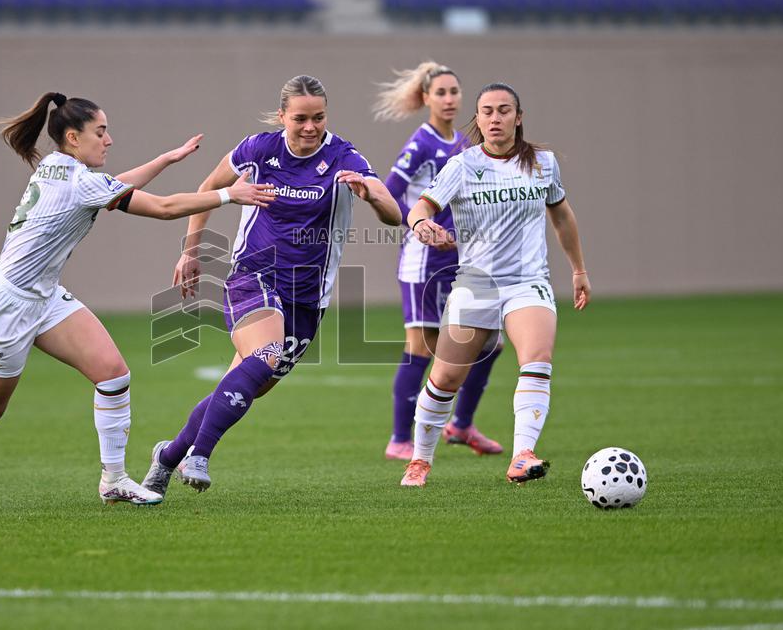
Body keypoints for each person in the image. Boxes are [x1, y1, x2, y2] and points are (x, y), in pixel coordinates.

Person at [0, 92, 275, 512]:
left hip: (44, 298)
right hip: (3, 307)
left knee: (113, 374)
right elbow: (163, 208)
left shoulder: (59, 166)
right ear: (72, 136)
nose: (109, 140)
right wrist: (230, 195)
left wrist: (165, 160)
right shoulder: (80, 182)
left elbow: (116, 186)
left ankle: (114, 479)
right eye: (100, 131)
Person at [141, 74, 401, 497]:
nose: (310, 127)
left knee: (247, 385)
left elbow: (393, 213)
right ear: (282, 116)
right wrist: (191, 250)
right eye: (300, 118)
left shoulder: (343, 156)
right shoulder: (258, 149)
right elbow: (208, 189)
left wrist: (370, 194)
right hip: (253, 275)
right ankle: (199, 456)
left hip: (307, 297)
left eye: (318, 118)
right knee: (263, 356)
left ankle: (167, 457)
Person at [399, 82, 591, 487]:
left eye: (504, 110)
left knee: (537, 361)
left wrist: (578, 270)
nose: (495, 118)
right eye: (486, 111)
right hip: (476, 286)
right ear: (478, 119)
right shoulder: (463, 165)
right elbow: (422, 205)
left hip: (528, 283)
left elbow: (561, 216)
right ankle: (419, 459)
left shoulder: (543, 163)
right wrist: (421, 224)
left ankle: (522, 454)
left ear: (518, 118)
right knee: (446, 378)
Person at [374, 61, 505, 462]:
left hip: (458, 259)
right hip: (422, 260)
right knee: (422, 347)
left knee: (490, 342)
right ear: (426, 98)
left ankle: (461, 425)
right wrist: (421, 227)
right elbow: (387, 192)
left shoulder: (464, 143)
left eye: (454, 92)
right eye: (441, 93)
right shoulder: (423, 143)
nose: (449, 99)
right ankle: (399, 438)